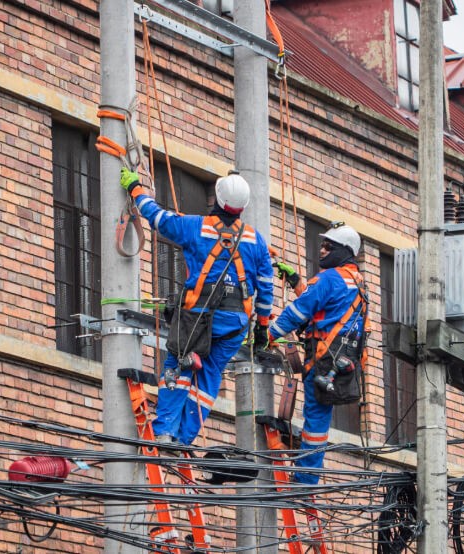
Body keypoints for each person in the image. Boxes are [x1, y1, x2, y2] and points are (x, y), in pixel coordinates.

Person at [119, 168, 275, 447]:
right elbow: (265, 289)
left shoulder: (196, 227)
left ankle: (165, 430)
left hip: (197, 318)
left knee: (178, 368)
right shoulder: (256, 240)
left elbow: (157, 217)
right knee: (209, 377)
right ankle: (185, 437)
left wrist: (135, 189)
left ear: (217, 197)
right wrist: (263, 327)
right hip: (235, 323)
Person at [266, 222, 369, 485]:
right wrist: (297, 282)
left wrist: (267, 334)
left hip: (323, 361)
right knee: (318, 419)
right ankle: (308, 475)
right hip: (340, 363)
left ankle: (306, 478)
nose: (321, 250)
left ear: (345, 251)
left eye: (328, 247)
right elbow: (325, 308)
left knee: (315, 418)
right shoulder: (356, 283)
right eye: (322, 245)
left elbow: (299, 312)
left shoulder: (329, 278)